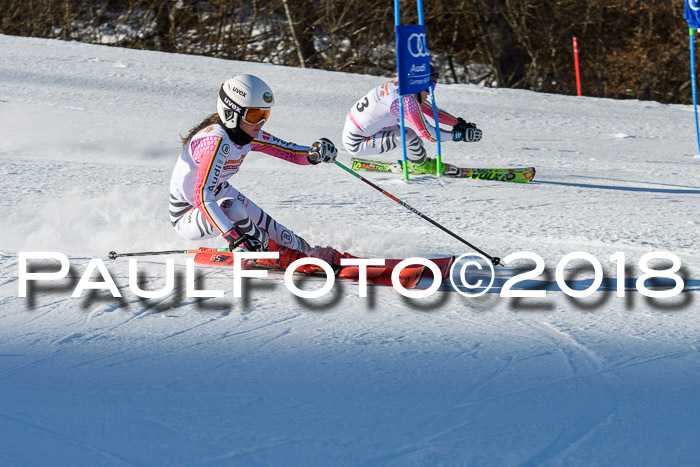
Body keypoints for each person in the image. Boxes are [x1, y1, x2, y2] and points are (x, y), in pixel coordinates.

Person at [169, 74, 341, 266]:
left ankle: (309, 253)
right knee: (231, 207)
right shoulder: (216, 142)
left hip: (219, 194)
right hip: (188, 212)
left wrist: (314, 153)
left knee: (283, 236)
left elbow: (291, 152)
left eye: (264, 115)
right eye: (253, 115)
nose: (260, 122)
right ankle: (265, 249)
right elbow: (202, 196)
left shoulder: (247, 133)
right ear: (231, 113)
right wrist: (235, 237)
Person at [342, 65, 482, 174]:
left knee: (410, 138)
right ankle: (420, 165)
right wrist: (458, 136)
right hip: (357, 142)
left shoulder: (400, 90)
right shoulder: (405, 100)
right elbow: (430, 135)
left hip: (363, 131)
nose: (430, 93)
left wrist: (458, 124)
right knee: (408, 137)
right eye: (430, 87)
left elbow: (433, 111)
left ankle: (414, 161)